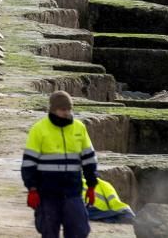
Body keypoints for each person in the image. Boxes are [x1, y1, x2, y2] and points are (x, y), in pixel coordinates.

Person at [22, 90, 97, 237]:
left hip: (73, 192)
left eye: (69, 109)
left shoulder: (79, 128)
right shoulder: (39, 129)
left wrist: (92, 185)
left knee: (79, 231)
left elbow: (89, 159)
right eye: (63, 109)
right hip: (47, 193)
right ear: (53, 109)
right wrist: (32, 188)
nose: (67, 112)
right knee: (49, 232)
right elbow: (29, 163)